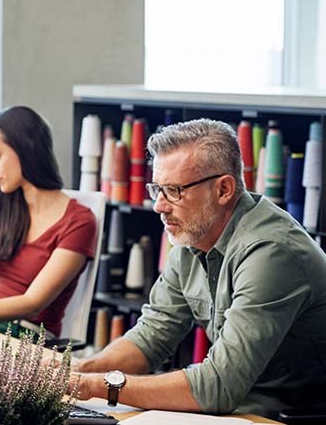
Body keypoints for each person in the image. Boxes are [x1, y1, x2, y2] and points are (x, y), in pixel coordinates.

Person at [72, 119, 326, 417]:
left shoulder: (271, 252)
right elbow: (151, 335)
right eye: (157, 189)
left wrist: (95, 386)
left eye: (174, 191)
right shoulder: (192, 239)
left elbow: (217, 386)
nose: (159, 206)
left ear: (223, 190)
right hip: (239, 406)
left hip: (291, 413)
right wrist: (76, 370)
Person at [0, 106, 97, 337]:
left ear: (26, 150)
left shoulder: (79, 222)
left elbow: (33, 302)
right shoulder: (2, 207)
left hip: (30, 338)